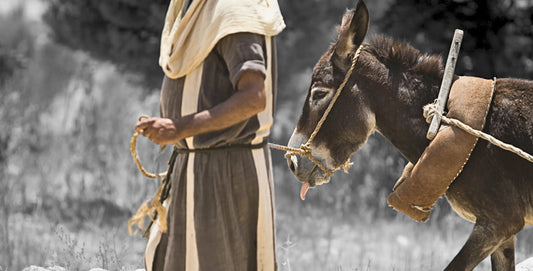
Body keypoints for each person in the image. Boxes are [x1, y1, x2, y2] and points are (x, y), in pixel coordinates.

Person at [133, 0, 285, 270]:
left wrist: (179, 128)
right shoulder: (203, 10)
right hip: (193, 167)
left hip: (226, 173)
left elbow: (253, 98)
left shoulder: (235, 9)